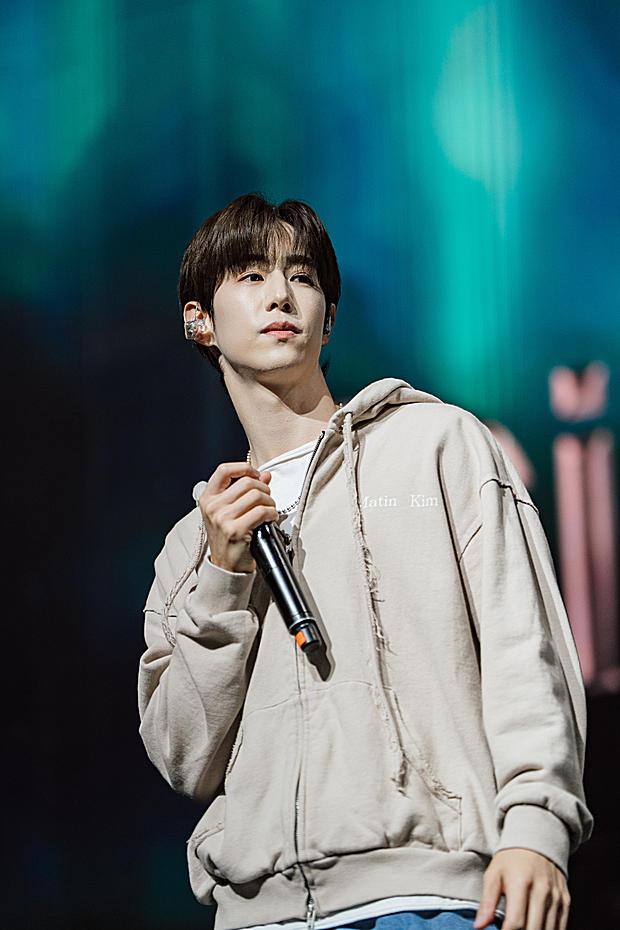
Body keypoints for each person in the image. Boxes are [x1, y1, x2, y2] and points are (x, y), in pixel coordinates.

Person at [137, 193, 593, 930]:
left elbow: (523, 645)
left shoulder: (436, 444)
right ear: (200, 321)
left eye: (302, 277)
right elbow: (185, 758)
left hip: (434, 897)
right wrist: (222, 578)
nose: (281, 295)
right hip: (261, 913)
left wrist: (537, 824)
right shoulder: (192, 545)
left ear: (328, 319)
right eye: (251, 276)